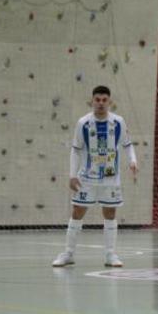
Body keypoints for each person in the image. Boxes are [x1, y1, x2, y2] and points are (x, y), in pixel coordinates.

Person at [52, 85, 137, 268]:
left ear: (110, 102)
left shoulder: (118, 122)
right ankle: (68, 253)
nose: (100, 103)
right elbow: (76, 150)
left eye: (104, 100)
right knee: (77, 212)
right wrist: (72, 175)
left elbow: (128, 144)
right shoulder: (83, 123)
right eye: (97, 100)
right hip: (87, 178)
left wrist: (133, 161)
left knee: (110, 213)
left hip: (110, 177)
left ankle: (110, 255)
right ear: (92, 101)